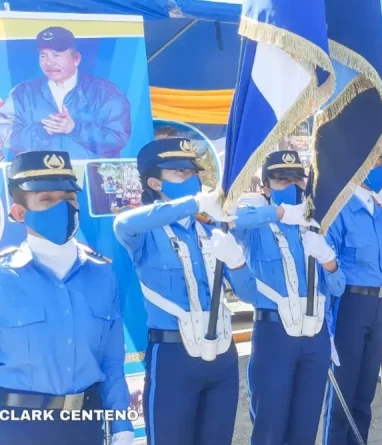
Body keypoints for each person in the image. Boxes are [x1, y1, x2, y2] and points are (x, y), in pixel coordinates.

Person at [112, 138, 260, 445]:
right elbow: (123, 224)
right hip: (173, 357)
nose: (192, 179)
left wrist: (237, 262)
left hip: (222, 354)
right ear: (154, 181)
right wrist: (194, 203)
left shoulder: (210, 227)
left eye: (193, 172)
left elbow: (250, 295)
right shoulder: (144, 229)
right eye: (180, 172)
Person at [0, 151, 134, 445]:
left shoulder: (101, 274)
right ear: (19, 212)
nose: (62, 208)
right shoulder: (4, 279)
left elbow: (111, 362)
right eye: (46, 199)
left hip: (84, 424)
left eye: (69, 198)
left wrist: (121, 424)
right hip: (17, 427)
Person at [231, 150, 344, 445]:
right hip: (275, 334)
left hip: (314, 335)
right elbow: (231, 221)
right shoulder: (256, 226)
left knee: (306, 425)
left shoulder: (315, 226)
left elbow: (338, 287)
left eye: (296, 179)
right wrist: (279, 213)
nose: (291, 186)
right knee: (270, 424)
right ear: (265, 188)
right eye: (281, 180)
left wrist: (329, 260)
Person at [323, 153, 382, 445]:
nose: (381, 170)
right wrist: (326, 327)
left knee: (365, 395)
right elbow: (327, 270)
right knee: (342, 395)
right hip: (349, 307)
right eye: (377, 164)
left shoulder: (380, 213)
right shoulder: (339, 212)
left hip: (378, 306)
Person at [0, 26, 131, 160]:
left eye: (56, 55)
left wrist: (75, 129)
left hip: (92, 178)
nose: (49, 62)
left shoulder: (106, 92)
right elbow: (6, 133)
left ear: (76, 59)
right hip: (39, 177)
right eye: (43, 55)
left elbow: (117, 139)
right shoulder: (22, 93)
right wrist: (44, 130)